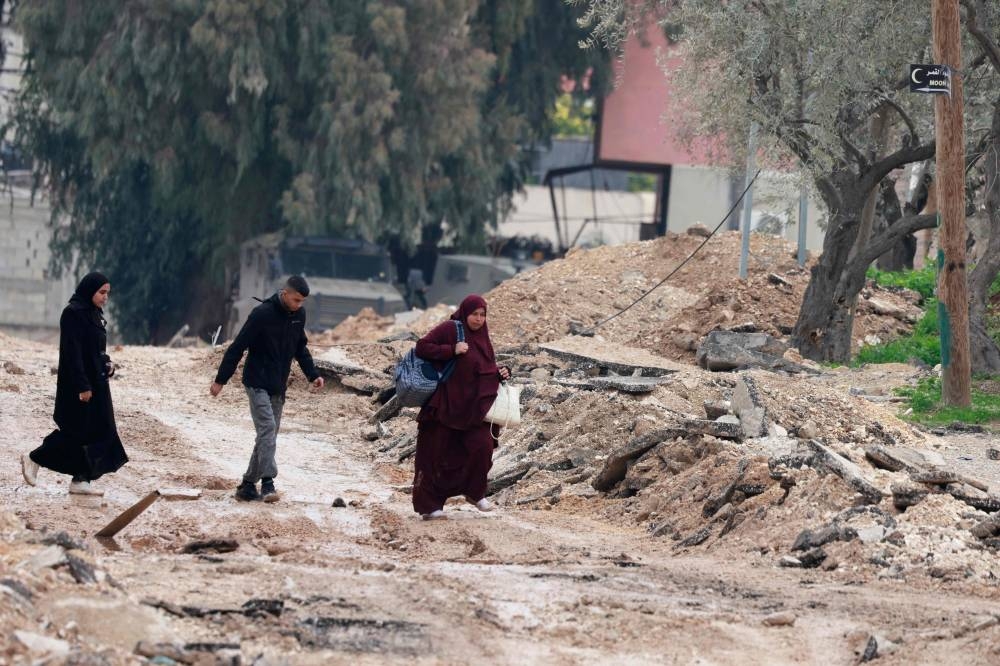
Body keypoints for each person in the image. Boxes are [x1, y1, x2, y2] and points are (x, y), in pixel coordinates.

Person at [210, 275, 324, 502]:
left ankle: (247, 485)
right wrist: (220, 380)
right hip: (256, 382)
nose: (299, 305)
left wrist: (313, 375)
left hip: (278, 385)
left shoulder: (298, 316)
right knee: (268, 430)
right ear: (284, 294)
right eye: (296, 300)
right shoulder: (262, 314)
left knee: (267, 436)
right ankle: (269, 483)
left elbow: (300, 349)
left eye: (302, 302)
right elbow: (237, 347)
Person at [22, 272, 128, 495]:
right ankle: (35, 458)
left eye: (107, 293)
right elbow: (72, 353)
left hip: (98, 383)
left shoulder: (96, 314)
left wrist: (108, 364)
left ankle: (82, 479)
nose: (105, 298)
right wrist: (82, 386)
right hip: (78, 386)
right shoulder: (72, 314)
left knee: (102, 432)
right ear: (90, 290)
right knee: (76, 434)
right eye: (101, 292)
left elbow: (97, 350)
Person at [412, 294, 511, 520]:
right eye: (474, 314)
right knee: (434, 455)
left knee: (482, 447)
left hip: (472, 411)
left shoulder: (483, 338)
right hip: (445, 408)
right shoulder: (451, 329)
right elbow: (422, 347)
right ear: (465, 313)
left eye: (482, 315)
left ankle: (475, 492)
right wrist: (451, 350)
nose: (478, 319)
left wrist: (502, 372)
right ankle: (430, 505)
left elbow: (485, 368)